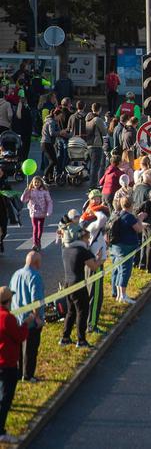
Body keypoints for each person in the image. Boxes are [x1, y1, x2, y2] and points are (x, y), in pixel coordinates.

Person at [0, 286, 36, 442]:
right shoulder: (8, 318)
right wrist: (27, 323)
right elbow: (20, 336)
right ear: (8, 301)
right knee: (5, 398)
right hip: (7, 364)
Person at [10, 252, 43, 382]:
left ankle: (18, 373)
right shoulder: (35, 277)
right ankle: (28, 375)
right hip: (30, 320)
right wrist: (38, 318)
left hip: (16, 317)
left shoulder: (16, 274)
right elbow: (36, 300)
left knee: (18, 349)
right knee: (30, 349)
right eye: (40, 261)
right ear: (36, 262)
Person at [110, 197, 143, 303]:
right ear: (131, 205)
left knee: (119, 271)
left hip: (116, 247)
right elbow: (139, 229)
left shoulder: (117, 214)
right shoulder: (129, 217)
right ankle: (123, 295)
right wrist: (140, 219)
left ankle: (119, 294)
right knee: (125, 271)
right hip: (126, 248)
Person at [20, 176, 53, 251]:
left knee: (40, 228)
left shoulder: (45, 191)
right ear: (33, 183)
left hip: (42, 212)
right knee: (35, 228)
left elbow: (49, 201)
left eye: (38, 182)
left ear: (41, 183)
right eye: (35, 182)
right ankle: (35, 243)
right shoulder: (30, 191)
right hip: (33, 212)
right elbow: (23, 200)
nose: (36, 183)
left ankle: (38, 241)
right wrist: (26, 191)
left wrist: (49, 211)